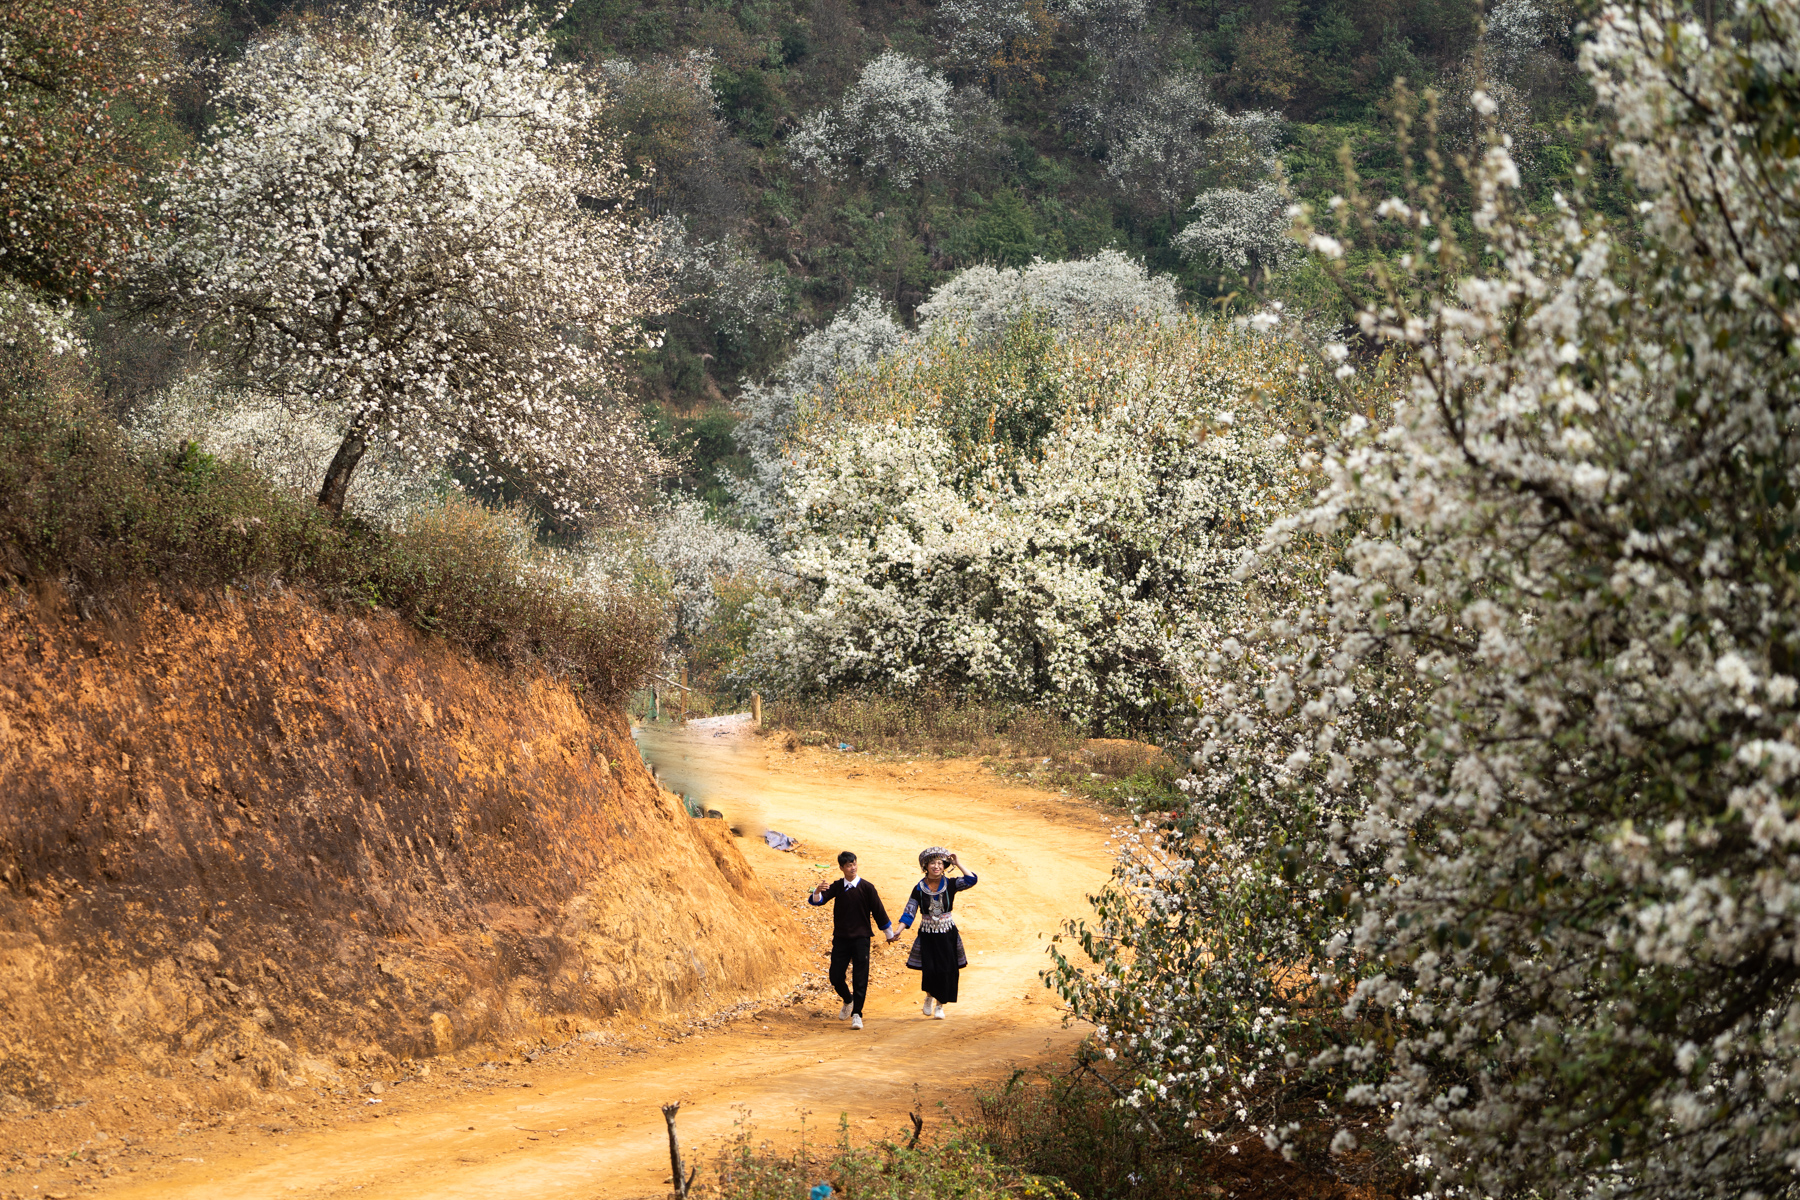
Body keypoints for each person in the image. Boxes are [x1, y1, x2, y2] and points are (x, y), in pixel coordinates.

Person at [807, 850, 899, 1030]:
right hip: (841, 938)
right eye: (849, 865)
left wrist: (889, 933)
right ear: (841, 868)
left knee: (860, 977)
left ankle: (857, 1013)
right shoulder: (838, 886)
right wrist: (817, 891)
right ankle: (848, 1000)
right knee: (835, 976)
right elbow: (817, 901)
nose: (853, 868)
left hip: (862, 939)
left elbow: (879, 911)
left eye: (854, 864)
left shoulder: (867, 887)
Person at [899, 847, 977, 1018]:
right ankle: (929, 996)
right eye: (932, 863)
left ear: (944, 866)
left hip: (947, 932)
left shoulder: (951, 884)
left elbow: (971, 879)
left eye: (940, 863)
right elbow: (909, 911)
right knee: (930, 969)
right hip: (927, 933)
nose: (936, 866)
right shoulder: (919, 888)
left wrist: (957, 863)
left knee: (946, 969)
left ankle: (940, 1006)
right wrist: (898, 931)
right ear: (926, 866)